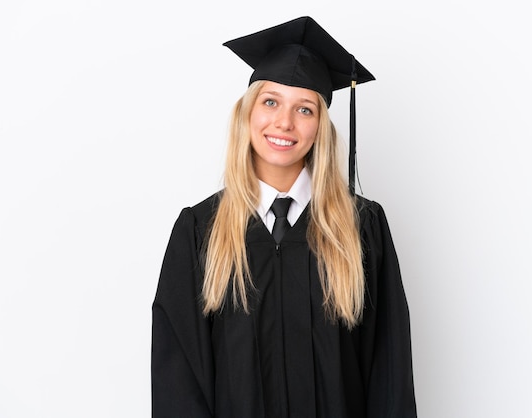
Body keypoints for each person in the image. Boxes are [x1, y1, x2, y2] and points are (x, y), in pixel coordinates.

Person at [151, 16, 417, 418]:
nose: (284, 122)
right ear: (248, 113)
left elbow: (389, 370)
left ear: (320, 128)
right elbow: (178, 380)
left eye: (304, 109)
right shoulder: (200, 230)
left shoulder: (362, 227)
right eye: (271, 101)